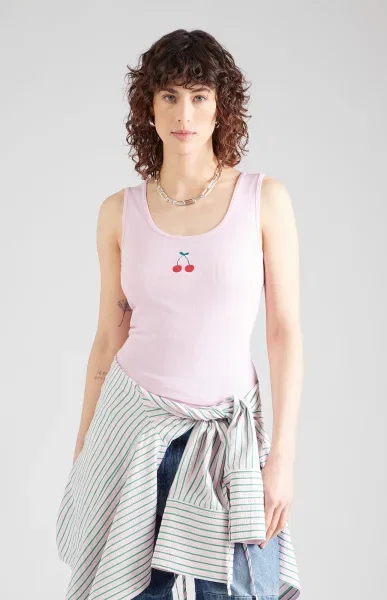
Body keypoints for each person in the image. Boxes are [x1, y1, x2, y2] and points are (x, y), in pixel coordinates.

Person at [56, 29, 303, 600]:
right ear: (148, 107)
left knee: (243, 590)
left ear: (221, 107)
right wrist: (84, 444)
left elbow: (284, 332)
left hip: (226, 446)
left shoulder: (264, 200)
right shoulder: (118, 212)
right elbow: (108, 336)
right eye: (169, 96)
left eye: (199, 96)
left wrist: (282, 458)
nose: (183, 114)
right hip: (132, 436)